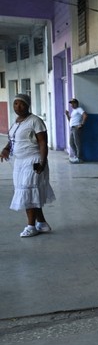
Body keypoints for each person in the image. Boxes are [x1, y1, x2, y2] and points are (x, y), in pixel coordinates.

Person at [1, 93, 56, 237]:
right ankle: (42, 223)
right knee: (29, 192)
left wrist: (42, 163)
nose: (18, 107)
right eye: (15, 104)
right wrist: (6, 149)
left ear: (28, 105)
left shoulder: (35, 121)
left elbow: (43, 142)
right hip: (19, 163)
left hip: (33, 161)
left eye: (21, 104)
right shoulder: (17, 122)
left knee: (28, 192)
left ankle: (31, 226)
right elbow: (13, 139)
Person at [65, 98, 87, 163]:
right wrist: (67, 115)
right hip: (72, 128)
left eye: (73, 103)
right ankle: (76, 156)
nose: (71, 104)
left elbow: (85, 115)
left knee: (77, 143)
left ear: (76, 103)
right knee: (71, 143)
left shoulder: (79, 109)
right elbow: (70, 120)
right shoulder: (73, 111)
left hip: (76, 128)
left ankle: (79, 158)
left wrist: (82, 124)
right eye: (71, 103)